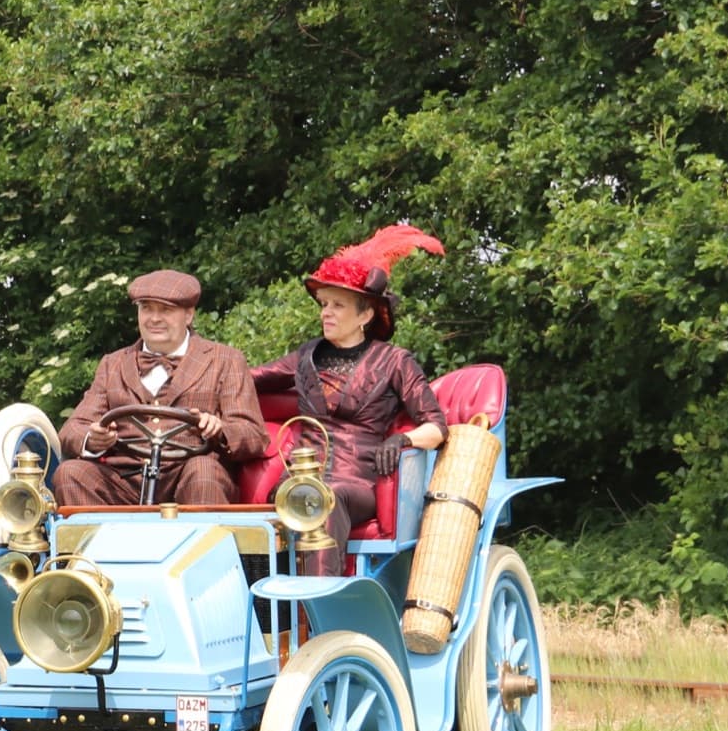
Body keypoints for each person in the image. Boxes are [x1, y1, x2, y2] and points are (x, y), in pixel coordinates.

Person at [253, 226, 447, 575]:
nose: (326, 312)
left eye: (338, 305)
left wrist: (402, 439)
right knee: (280, 502)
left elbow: (436, 427)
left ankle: (320, 612)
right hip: (299, 477)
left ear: (366, 315)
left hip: (357, 482)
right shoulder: (307, 355)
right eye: (324, 304)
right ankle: (272, 619)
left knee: (323, 497)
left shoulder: (394, 361)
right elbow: (250, 378)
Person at [54, 269, 270, 506]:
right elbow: (71, 429)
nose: (154, 318)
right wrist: (92, 439)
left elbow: (254, 435)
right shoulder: (112, 364)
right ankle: (97, 543)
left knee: (203, 472)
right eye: (146, 308)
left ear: (188, 315)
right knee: (70, 473)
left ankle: (203, 543)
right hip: (125, 482)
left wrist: (220, 429)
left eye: (165, 310)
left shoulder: (226, 360)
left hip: (192, 477)